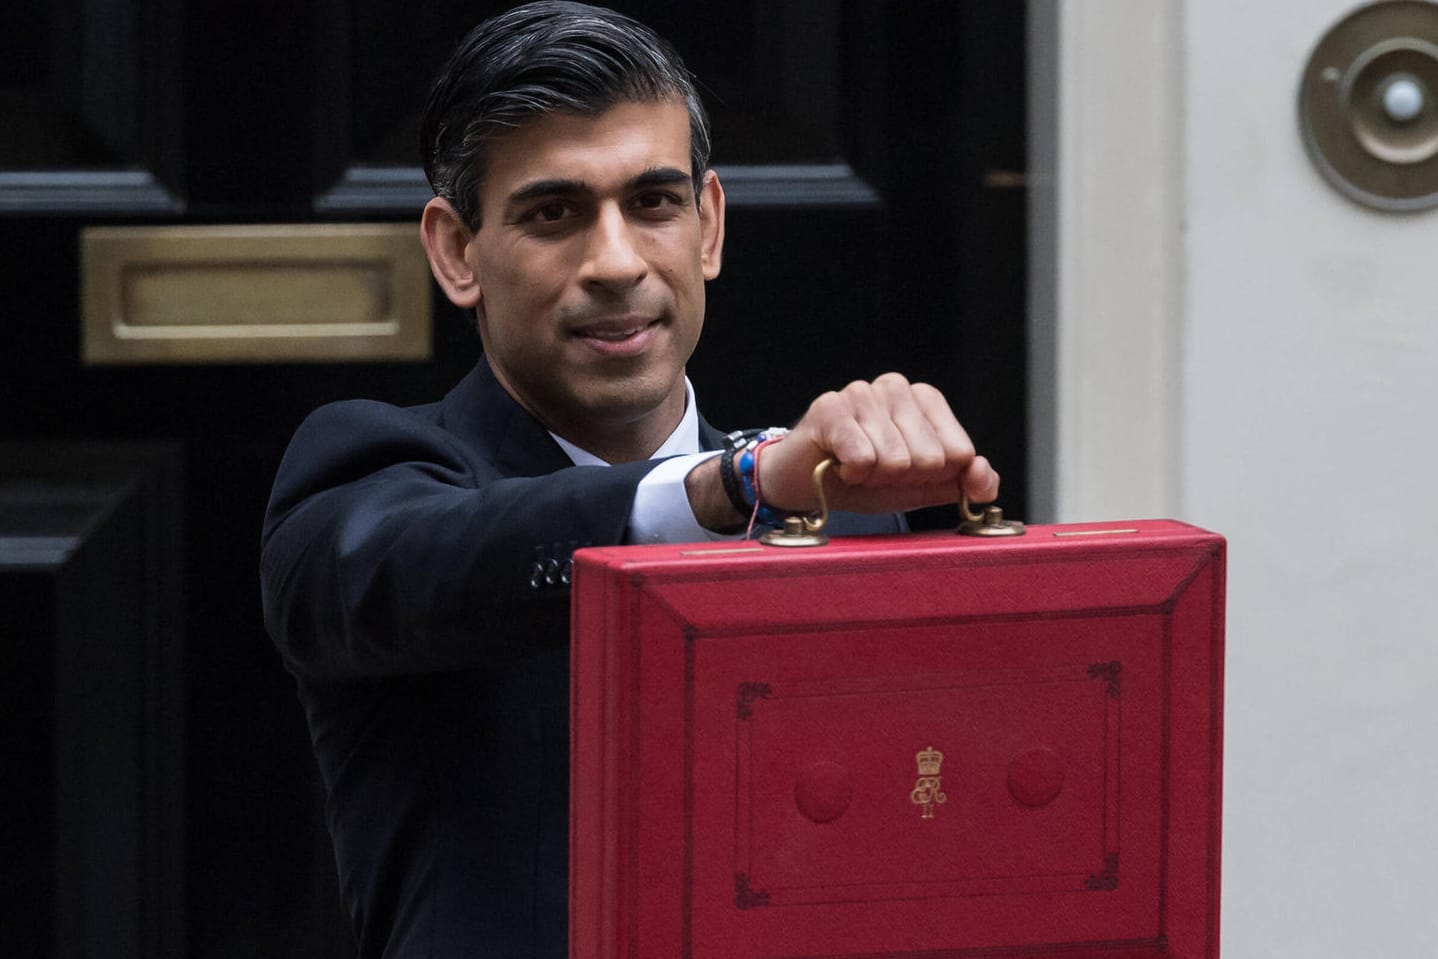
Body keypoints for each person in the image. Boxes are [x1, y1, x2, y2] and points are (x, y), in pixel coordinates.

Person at [260, 3, 999, 957]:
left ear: (709, 226)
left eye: (652, 203)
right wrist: (726, 488)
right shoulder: (369, 476)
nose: (614, 263)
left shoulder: (837, 516)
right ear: (455, 251)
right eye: (552, 213)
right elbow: (423, 564)